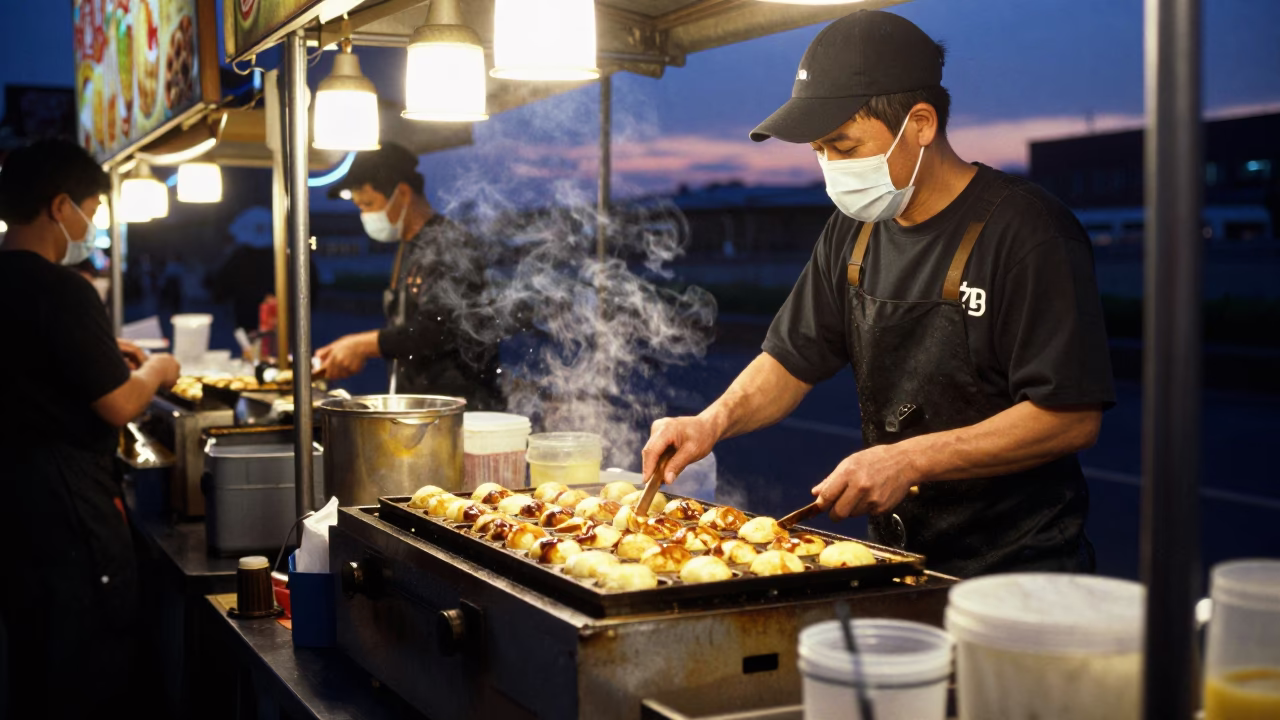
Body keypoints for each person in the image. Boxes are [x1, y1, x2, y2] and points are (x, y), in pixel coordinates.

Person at [642, 11, 1115, 578]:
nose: (830, 168)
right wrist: (710, 423)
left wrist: (909, 458)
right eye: (819, 150)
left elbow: (1070, 417)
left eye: (844, 146)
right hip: (897, 561)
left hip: (1021, 575)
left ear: (921, 124)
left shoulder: (1030, 232)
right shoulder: (855, 228)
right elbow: (791, 360)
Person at [0, 139, 181, 718]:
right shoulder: (61, 288)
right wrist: (156, 368)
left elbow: (45, 365)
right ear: (60, 207)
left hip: (14, 504)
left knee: (33, 657)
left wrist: (105, 350)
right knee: (88, 665)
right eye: (94, 211)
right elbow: (118, 405)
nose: (93, 225)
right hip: (67, 507)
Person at [316, 143, 501, 408]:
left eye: (368, 203)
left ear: (402, 193)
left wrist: (363, 345)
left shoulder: (448, 245)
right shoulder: (409, 247)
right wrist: (356, 347)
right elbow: (407, 333)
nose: (365, 215)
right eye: (360, 207)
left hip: (460, 410)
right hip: (419, 408)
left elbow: (439, 327)